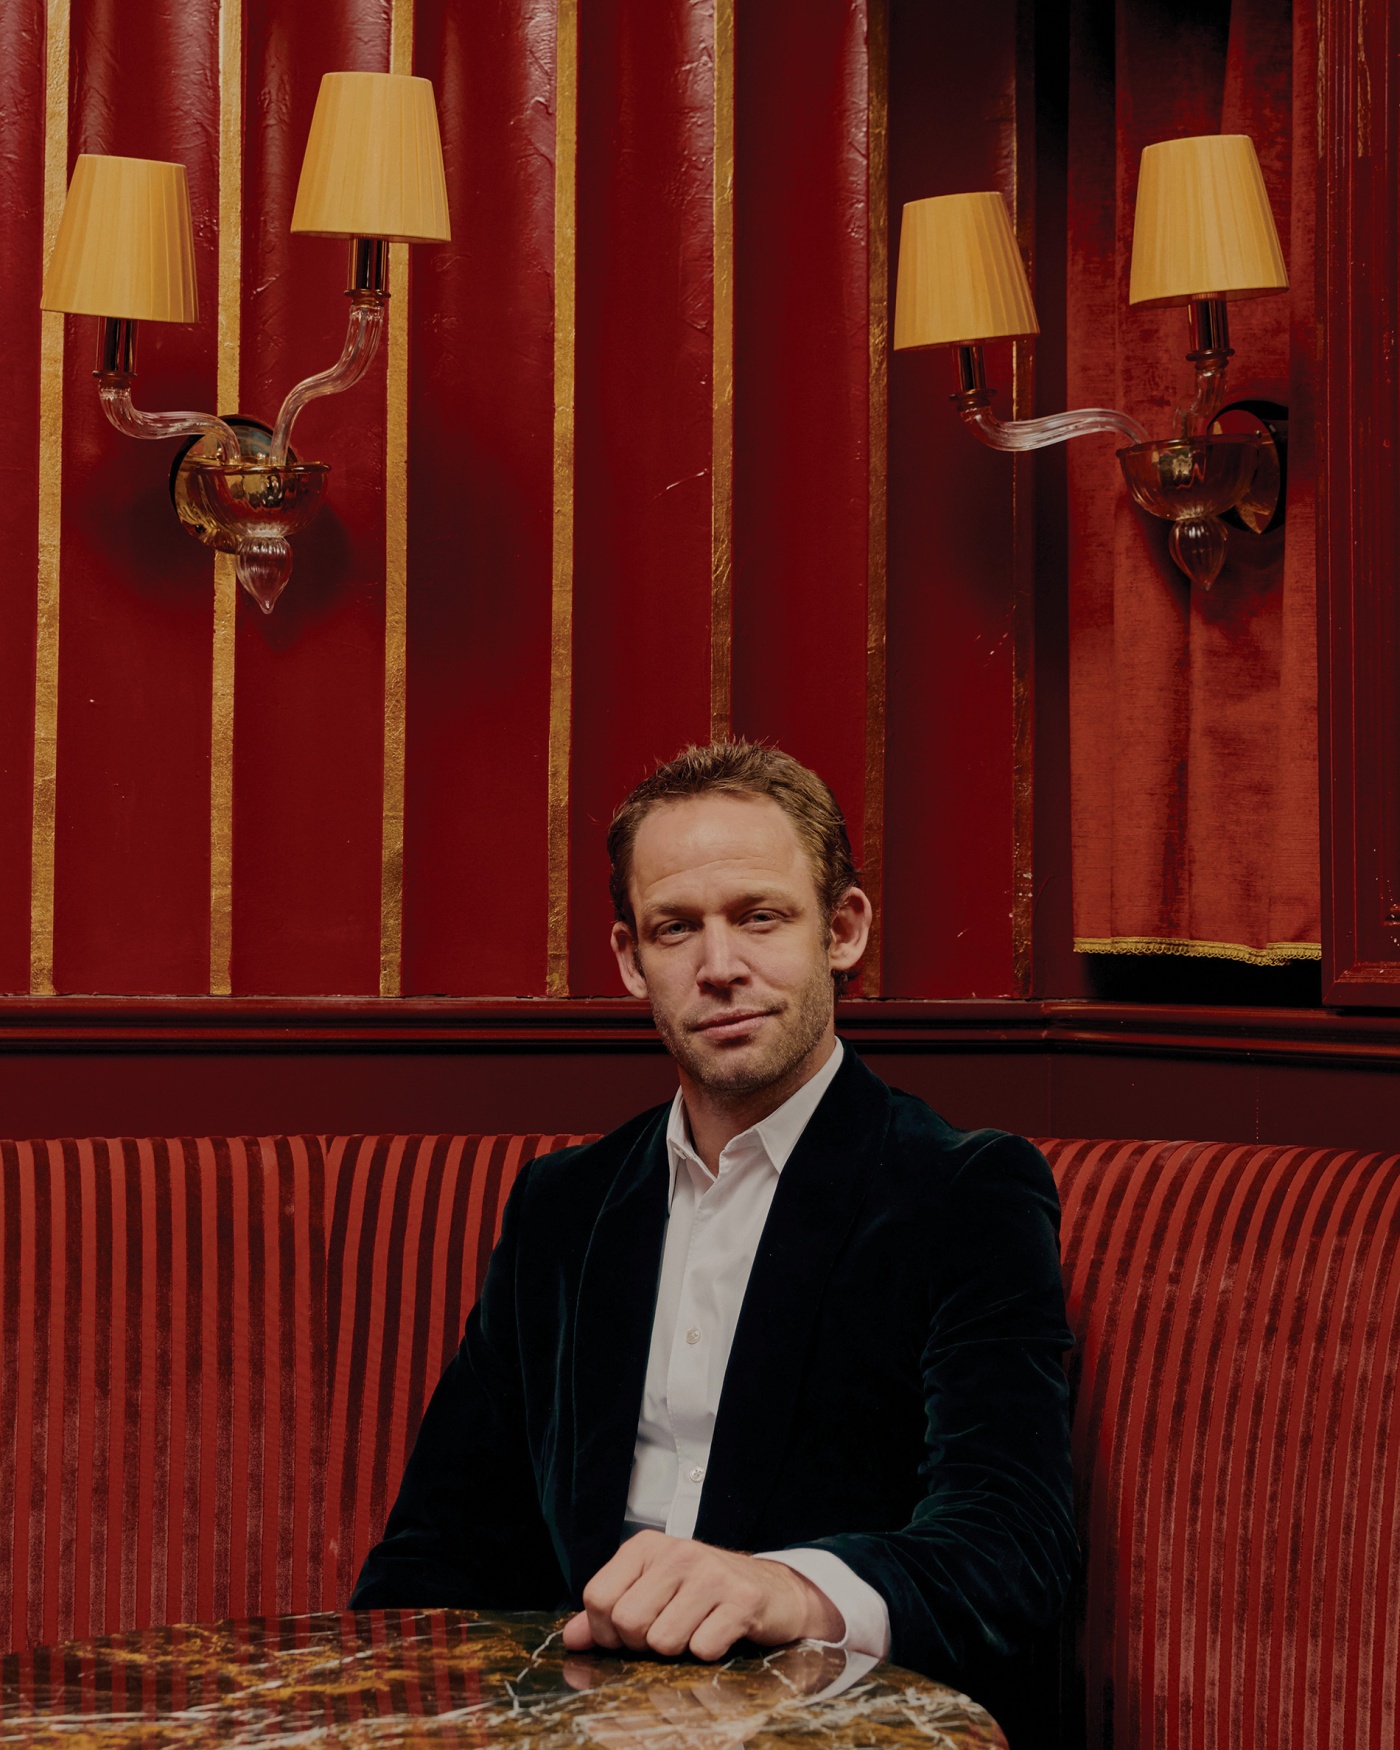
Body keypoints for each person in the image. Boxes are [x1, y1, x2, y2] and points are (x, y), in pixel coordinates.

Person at [351, 740, 1075, 1736]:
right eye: (675, 928)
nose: (720, 965)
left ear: (843, 929)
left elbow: (1010, 1546)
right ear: (627, 958)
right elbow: (433, 1550)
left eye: (759, 916)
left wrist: (786, 1590)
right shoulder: (561, 1205)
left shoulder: (960, 1189)